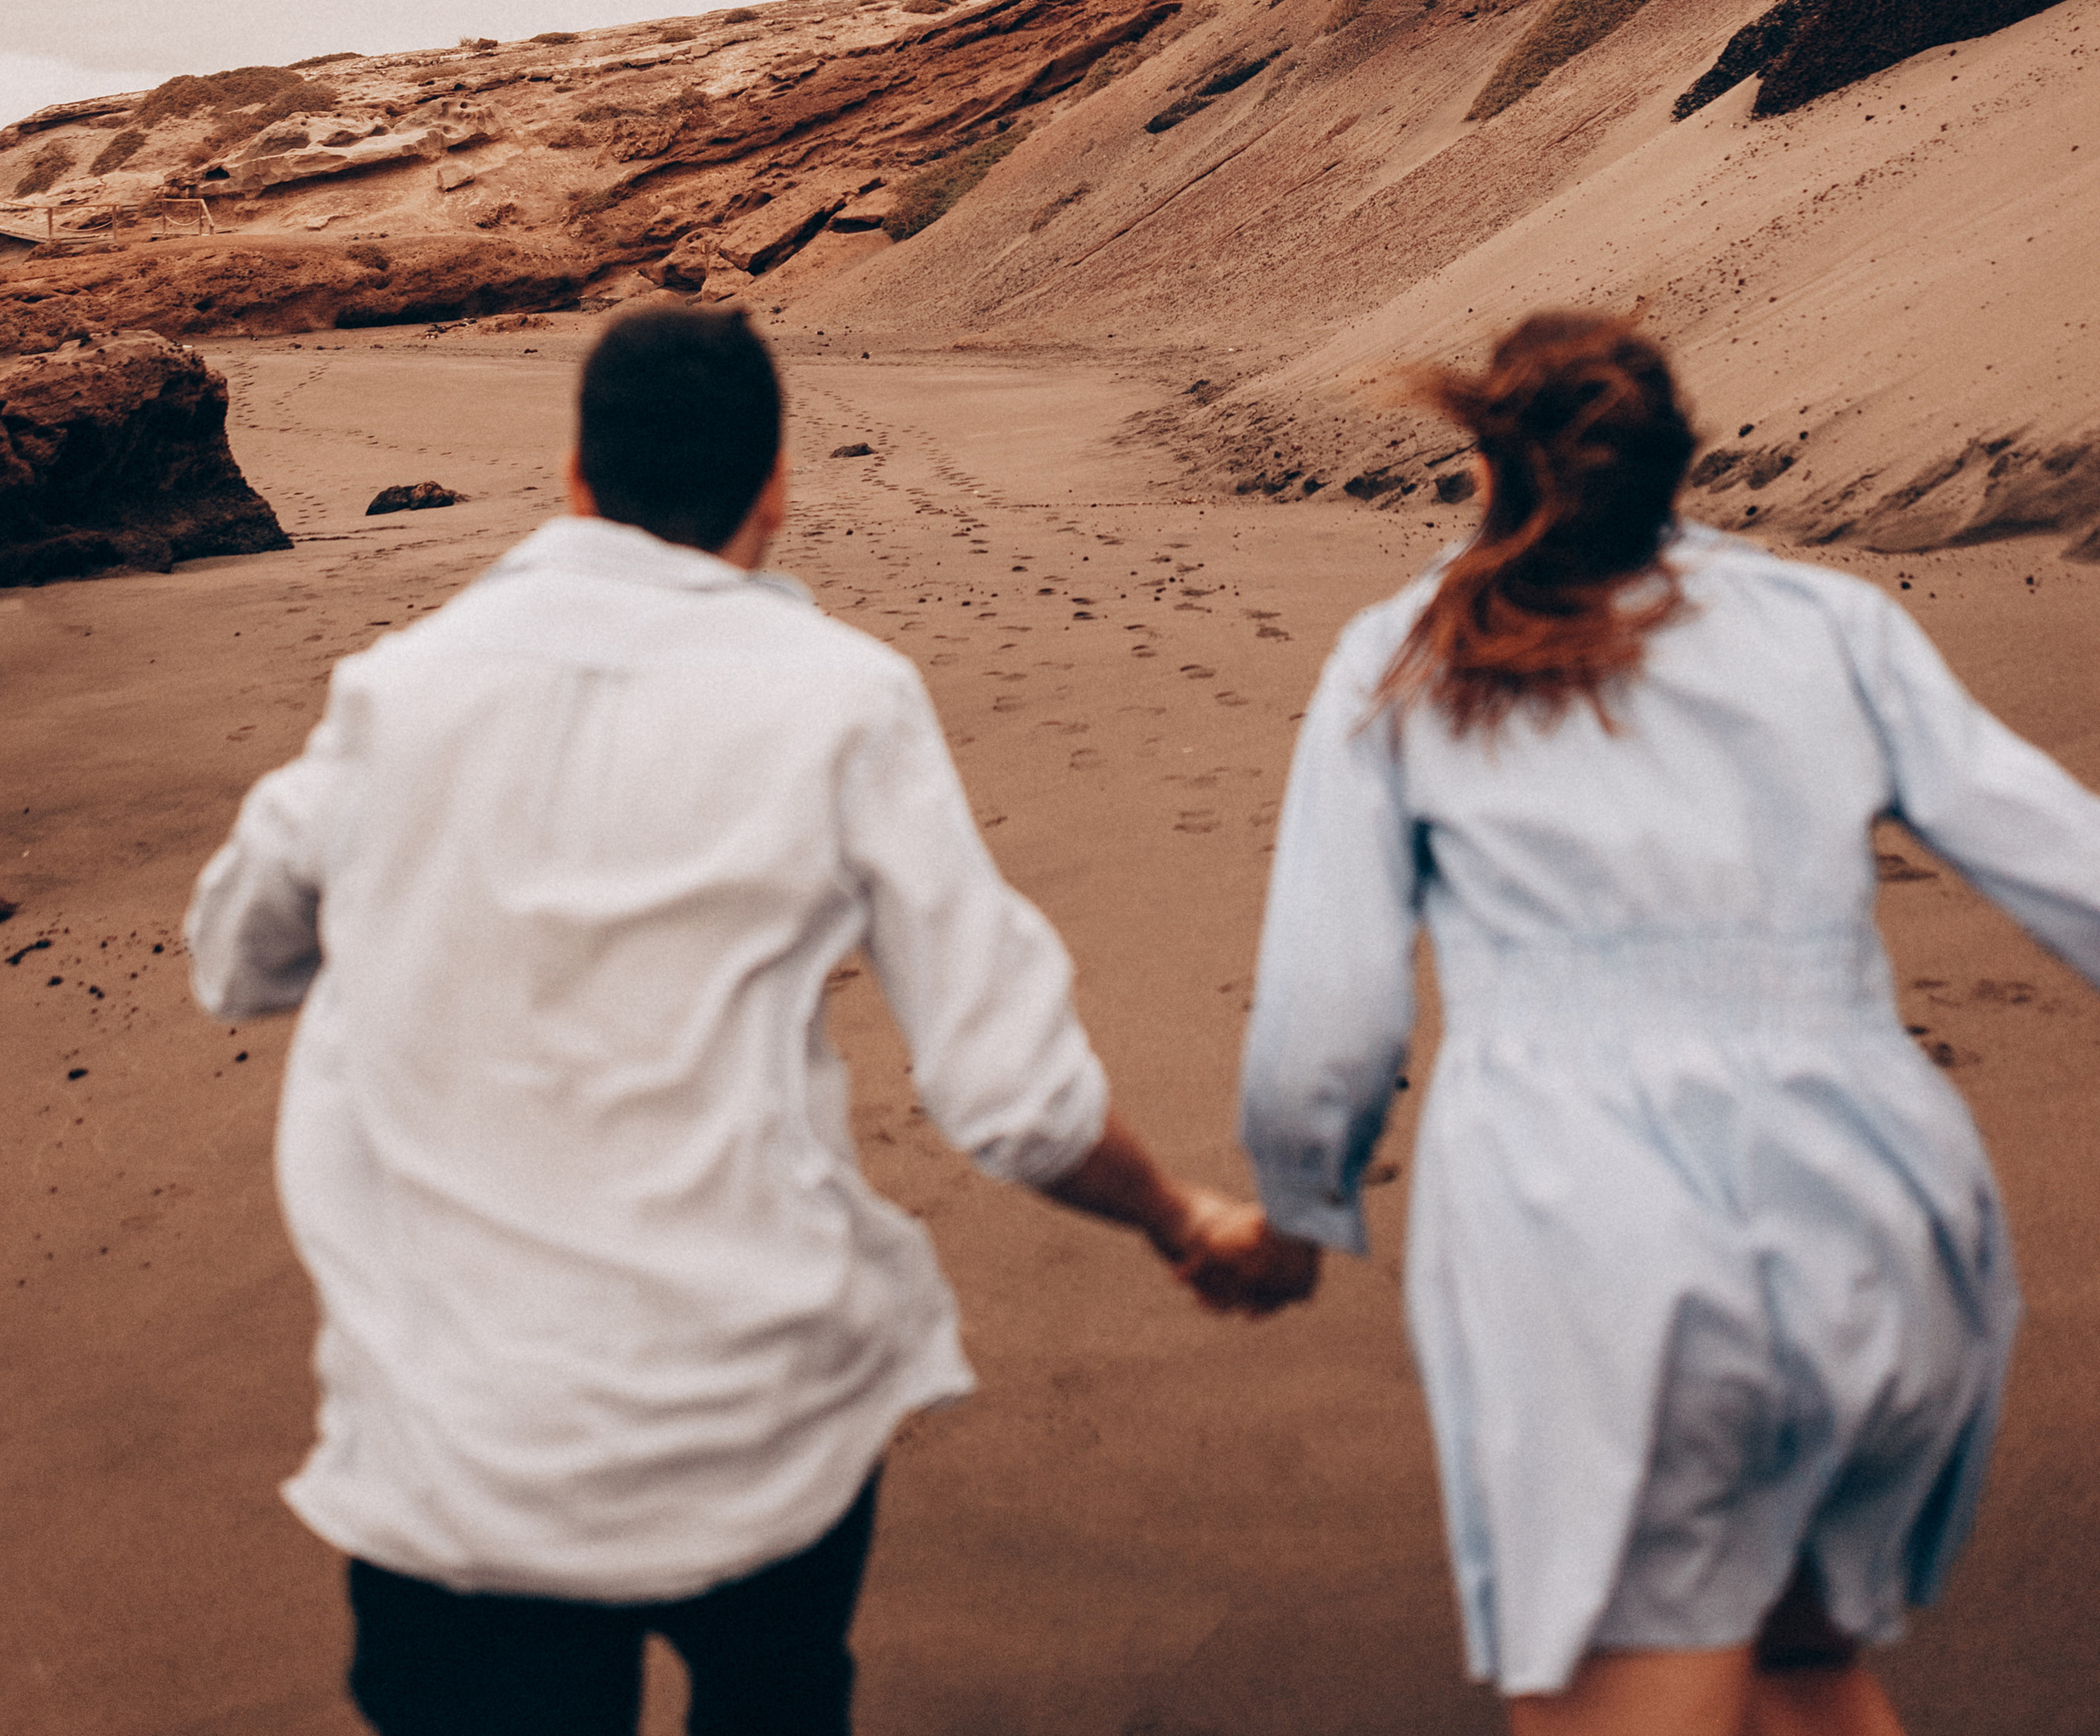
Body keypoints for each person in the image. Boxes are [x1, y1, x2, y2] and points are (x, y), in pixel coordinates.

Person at [187, 302, 1243, 1736]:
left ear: (575, 473)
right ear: (775, 486)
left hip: (459, 1442)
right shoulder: (844, 700)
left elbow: (235, 961)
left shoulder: (396, 694)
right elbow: (1014, 1102)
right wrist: (1182, 1222)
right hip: (755, 1415)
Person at [1207, 311, 2100, 1735]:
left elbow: (1332, 1015)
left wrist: (1296, 1215)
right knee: (1805, 1672)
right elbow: (2074, 868)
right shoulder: (1834, 626)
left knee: (1631, 1686)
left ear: (1486, 463)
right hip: (1884, 1213)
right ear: (1682, 460)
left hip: (1594, 1235)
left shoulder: (1407, 655)